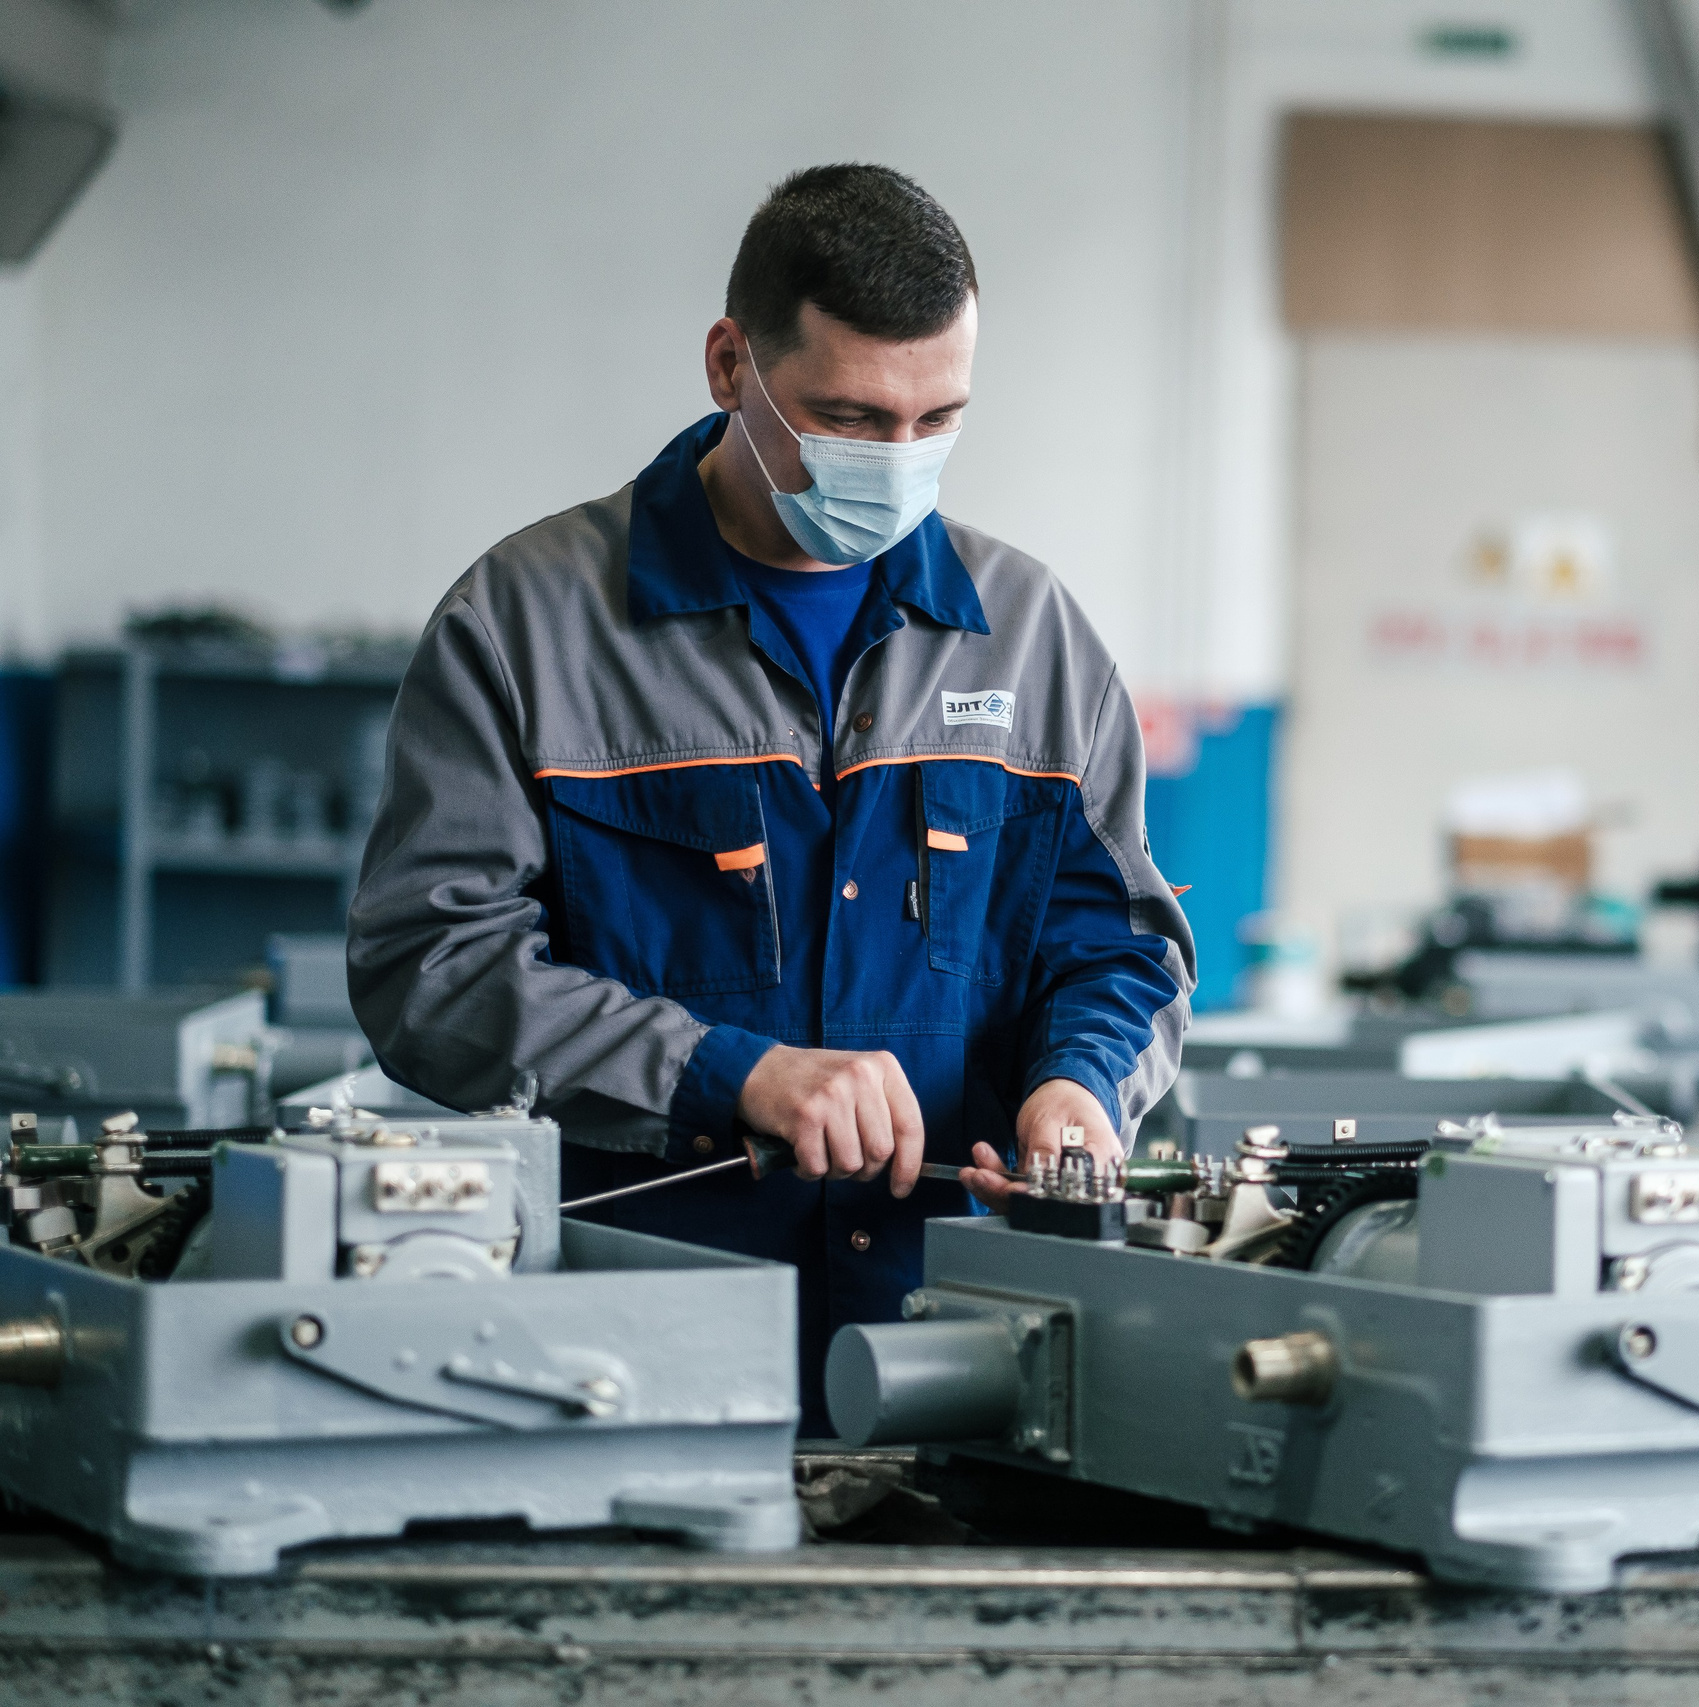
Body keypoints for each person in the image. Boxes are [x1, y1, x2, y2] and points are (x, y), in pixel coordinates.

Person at [348, 165, 1194, 1430]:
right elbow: (431, 967)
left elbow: (1116, 942)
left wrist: (1078, 1083)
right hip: (624, 1355)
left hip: (956, 1349)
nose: (897, 462)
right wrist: (726, 1075)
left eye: (937, 420)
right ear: (729, 364)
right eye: (848, 417)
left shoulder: (1032, 638)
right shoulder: (524, 625)